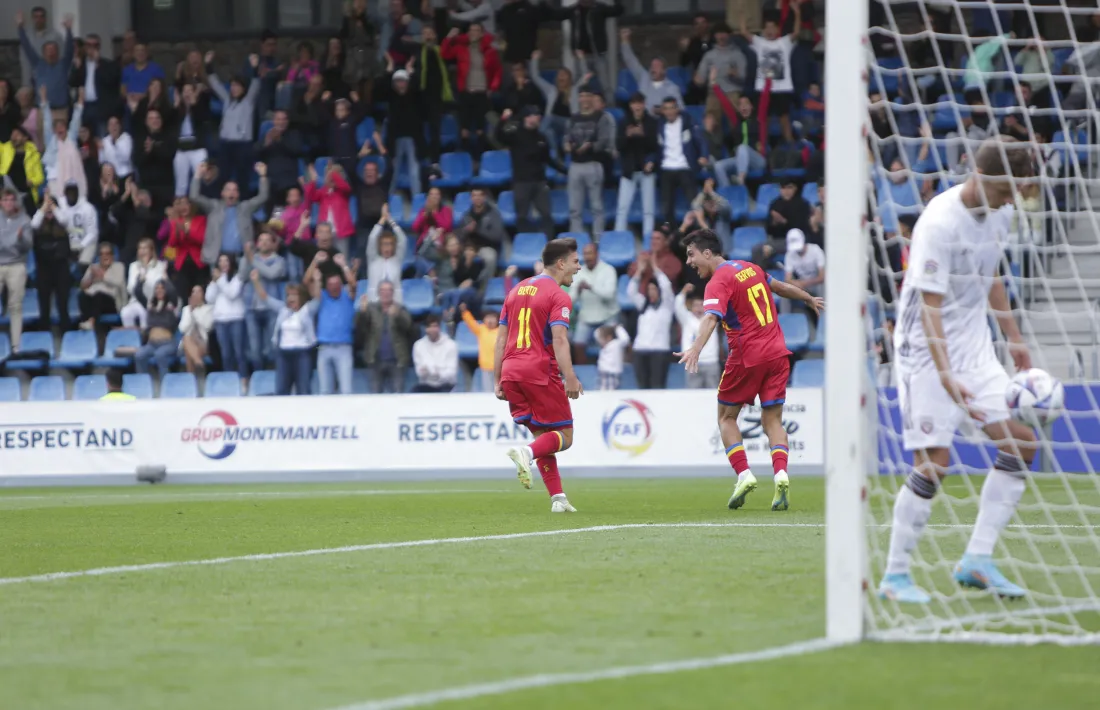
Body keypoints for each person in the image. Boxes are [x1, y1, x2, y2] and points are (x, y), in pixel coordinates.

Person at [879, 138, 1038, 604]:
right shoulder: (939, 222)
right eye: (1008, 189)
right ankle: (895, 576)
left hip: (973, 345)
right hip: (925, 351)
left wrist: (1013, 335)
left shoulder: (1002, 212)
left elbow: (990, 276)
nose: (1013, 199)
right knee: (933, 464)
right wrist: (946, 373)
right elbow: (930, 305)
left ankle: (977, 561)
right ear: (985, 178)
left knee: (1022, 443)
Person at [676, 229, 823, 512]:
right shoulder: (749, 267)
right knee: (773, 421)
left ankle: (744, 474)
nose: (689, 262)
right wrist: (807, 297)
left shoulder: (718, 281)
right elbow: (778, 286)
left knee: (726, 417)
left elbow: (710, 318)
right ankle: (781, 474)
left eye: (691, 255)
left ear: (708, 253)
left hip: (747, 356)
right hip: (778, 354)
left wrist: (695, 347)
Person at [496, 238, 583, 513]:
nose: (578, 268)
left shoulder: (516, 290)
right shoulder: (558, 295)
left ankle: (558, 498)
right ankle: (527, 453)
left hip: (511, 371)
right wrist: (569, 375)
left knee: (543, 433)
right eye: (575, 262)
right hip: (538, 371)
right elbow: (559, 339)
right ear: (561, 263)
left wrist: (498, 378)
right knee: (564, 437)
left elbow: (500, 340)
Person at [495, 106, 561, 237]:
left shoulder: (541, 137)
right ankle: (527, 245)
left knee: (546, 215)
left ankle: (548, 244)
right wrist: (503, 120)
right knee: (522, 217)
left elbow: (547, 159)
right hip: (521, 182)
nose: (539, 118)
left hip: (539, 181)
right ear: (528, 118)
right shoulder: (515, 135)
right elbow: (498, 136)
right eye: (536, 115)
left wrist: (564, 170)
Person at [740, 3, 800, 145]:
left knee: (784, 118)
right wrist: (743, 15)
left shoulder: (784, 42)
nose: (770, 30)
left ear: (778, 29)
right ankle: (763, 146)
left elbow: (797, 32)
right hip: (763, 88)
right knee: (763, 119)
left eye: (773, 27)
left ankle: (791, 146)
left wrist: (797, 14)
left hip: (782, 88)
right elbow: (744, 32)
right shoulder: (759, 42)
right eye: (767, 27)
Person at [189, 161, 269, 262]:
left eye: (235, 190)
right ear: (222, 193)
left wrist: (263, 176)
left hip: (241, 258)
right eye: (228, 189)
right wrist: (197, 175)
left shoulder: (246, 207)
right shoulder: (213, 206)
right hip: (217, 257)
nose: (231, 192)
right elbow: (194, 196)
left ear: (238, 194)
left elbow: (263, 197)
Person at [441, 23, 501, 157]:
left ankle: (479, 160)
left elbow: (497, 70)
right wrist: (449, 37)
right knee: (464, 130)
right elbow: (444, 54)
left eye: (477, 30)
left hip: (481, 93)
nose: (474, 33)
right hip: (466, 92)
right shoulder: (461, 48)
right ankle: (465, 161)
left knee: (480, 129)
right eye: (471, 30)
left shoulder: (489, 51)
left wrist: (492, 88)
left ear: (481, 34)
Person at [250, 275, 315, 396]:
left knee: (304, 390)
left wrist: (316, 280)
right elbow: (265, 298)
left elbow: (317, 299)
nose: (291, 297)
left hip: (302, 354)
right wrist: (255, 281)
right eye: (289, 295)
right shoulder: (282, 309)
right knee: (281, 390)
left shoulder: (307, 310)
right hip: (283, 354)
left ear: (300, 296)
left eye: (294, 295)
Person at [205, 50, 261, 190]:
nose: (234, 88)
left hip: (242, 145)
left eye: (237, 86)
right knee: (222, 176)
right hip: (226, 145)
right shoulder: (227, 101)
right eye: (232, 85)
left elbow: (256, 84)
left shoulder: (248, 102)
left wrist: (255, 68)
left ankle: (243, 207)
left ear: (243, 88)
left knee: (243, 179)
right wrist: (208, 66)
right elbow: (216, 85)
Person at [306, 251, 358, 395]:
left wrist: (344, 266)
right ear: (326, 286)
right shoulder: (322, 296)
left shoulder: (347, 295)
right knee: (324, 391)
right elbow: (307, 281)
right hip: (324, 348)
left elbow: (353, 284)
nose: (334, 287)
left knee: (346, 390)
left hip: (343, 348)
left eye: (337, 284)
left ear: (341, 285)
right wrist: (315, 262)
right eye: (331, 284)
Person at [565, 85, 613, 237]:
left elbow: (604, 141)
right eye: (582, 95)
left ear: (593, 98)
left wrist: (590, 146)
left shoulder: (601, 117)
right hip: (575, 165)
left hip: (593, 164)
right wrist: (566, 145)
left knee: (596, 207)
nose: (585, 99)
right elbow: (566, 138)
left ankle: (598, 240)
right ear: (578, 99)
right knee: (574, 208)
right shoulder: (573, 118)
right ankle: (577, 242)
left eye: (588, 95)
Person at [356, 280, 416, 393]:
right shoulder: (370, 308)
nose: (386, 293)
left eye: (389, 290)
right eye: (383, 290)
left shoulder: (400, 309)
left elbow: (409, 327)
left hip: (397, 361)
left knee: (398, 397)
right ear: (378, 292)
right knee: (375, 397)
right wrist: (362, 312)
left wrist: (398, 316)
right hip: (375, 360)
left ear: (393, 293)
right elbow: (360, 328)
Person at [657, 96, 707, 226]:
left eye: (671, 108)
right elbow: (656, 148)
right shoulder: (660, 125)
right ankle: (671, 233)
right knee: (666, 206)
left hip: (684, 166)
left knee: (695, 202)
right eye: (666, 109)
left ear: (677, 109)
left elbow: (700, 140)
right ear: (662, 111)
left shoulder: (687, 121)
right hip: (666, 167)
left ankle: (701, 229)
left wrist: (703, 155)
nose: (669, 112)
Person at [614, 92, 659, 236]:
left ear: (644, 104)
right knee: (622, 209)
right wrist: (628, 136)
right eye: (634, 103)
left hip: (647, 170)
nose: (637, 106)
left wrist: (642, 135)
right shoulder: (623, 121)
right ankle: (619, 239)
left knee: (648, 210)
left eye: (640, 103)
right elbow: (619, 146)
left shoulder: (651, 121)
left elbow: (655, 146)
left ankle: (648, 244)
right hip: (629, 170)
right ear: (630, 105)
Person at [629, 252, 674, 389]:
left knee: (657, 387)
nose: (651, 292)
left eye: (654, 289)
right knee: (642, 388)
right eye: (649, 290)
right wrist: (640, 271)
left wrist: (654, 267)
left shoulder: (666, 306)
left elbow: (666, 286)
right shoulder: (643, 304)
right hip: (640, 350)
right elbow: (631, 291)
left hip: (659, 351)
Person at [242, 235, 287, 372]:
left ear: (273, 244)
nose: (265, 243)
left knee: (272, 347)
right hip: (251, 308)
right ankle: (258, 377)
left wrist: (252, 260)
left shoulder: (279, 261)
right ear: (257, 243)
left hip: (271, 309)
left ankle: (273, 377)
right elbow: (242, 276)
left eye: (268, 240)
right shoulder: (250, 258)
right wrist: (246, 256)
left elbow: (271, 273)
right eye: (261, 240)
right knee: (254, 349)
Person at [569, 242, 619, 362]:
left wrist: (591, 287)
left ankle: (610, 370)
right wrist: (577, 291)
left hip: (607, 315)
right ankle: (584, 374)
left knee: (611, 346)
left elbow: (609, 294)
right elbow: (570, 300)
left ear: (597, 254)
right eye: (585, 254)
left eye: (590, 253)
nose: (587, 257)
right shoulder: (578, 272)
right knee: (577, 344)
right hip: (587, 316)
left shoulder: (608, 270)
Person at [619, 28, 684, 114]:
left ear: (664, 71)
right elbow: (630, 60)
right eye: (652, 66)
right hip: (642, 120)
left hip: (661, 122)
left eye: (657, 66)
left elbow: (681, 108)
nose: (653, 69)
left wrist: (663, 110)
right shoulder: (643, 77)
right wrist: (625, 40)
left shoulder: (672, 89)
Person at [205, 253, 249, 381]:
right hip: (220, 320)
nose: (223, 264)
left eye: (226, 261)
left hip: (236, 318)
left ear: (231, 263)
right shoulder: (217, 280)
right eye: (221, 261)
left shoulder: (237, 278)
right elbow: (209, 298)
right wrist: (214, 283)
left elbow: (232, 293)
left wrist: (219, 280)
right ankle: (229, 379)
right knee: (225, 354)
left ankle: (243, 378)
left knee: (239, 352)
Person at [31, 190, 70, 331]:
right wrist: (43, 208)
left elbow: (64, 220)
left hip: (60, 268)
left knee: (63, 303)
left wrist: (53, 206)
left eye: (51, 206)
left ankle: (65, 330)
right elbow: (33, 224)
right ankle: (44, 331)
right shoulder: (37, 227)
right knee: (44, 303)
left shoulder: (62, 224)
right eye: (45, 206)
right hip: (44, 268)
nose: (48, 208)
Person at [694, 22, 747, 120]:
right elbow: (700, 79)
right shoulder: (708, 55)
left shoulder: (737, 54)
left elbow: (744, 78)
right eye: (718, 34)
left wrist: (735, 75)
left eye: (724, 33)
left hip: (732, 92)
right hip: (713, 92)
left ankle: (736, 134)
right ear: (714, 36)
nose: (721, 36)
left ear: (729, 35)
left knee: (735, 119)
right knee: (709, 119)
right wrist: (698, 80)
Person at [0, 188, 32, 350]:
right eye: (5, 200)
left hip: (16, 264)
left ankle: (16, 346)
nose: (8, 203)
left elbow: (28, 246)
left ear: (15, 202)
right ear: (1, 202)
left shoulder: (24, 220)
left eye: (11, 200)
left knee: (15, 305)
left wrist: (19, 239)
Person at [674, 283, 720, 389]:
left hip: (711, 362)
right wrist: (684, 291)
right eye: (696, 306)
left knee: (712, 395)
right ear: (691, 307)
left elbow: (720, 304)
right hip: (692, 363)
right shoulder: (686, 318)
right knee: (692, 396)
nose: (698, 308)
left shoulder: (712, 318)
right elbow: (677, 305)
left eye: (701, 305)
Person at [134, 279, 180, 378]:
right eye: (157, 288)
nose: (159, 290)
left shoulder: (172, 305)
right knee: (139, 355)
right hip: (152, 344)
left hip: (167, 343)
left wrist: (166, 280)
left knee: (160, 354)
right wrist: (140, 280)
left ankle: (165, 384)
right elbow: (138, 293)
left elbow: (173, 292)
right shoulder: (150, 305)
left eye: (162, 288)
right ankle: (143, 383)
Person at [120, 237, 169, 329]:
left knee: (145, 313)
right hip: (136, 301)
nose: (142, 251)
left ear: (151, 251)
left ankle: (145, 339)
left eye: (145, 248)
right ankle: (133, 338)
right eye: (140, 248)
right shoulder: (134, 266)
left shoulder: (160, 266)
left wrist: (144, 278)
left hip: (153, 302)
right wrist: (141, 280)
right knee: (125, 313)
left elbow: (158, 287)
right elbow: (130, 288)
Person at [78, 241, 127, 330]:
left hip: (112, 302)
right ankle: (86, 322)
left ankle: (91, 322)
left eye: (107, 253)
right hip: (93, 301)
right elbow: (82, 285)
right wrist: (91, 279)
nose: (105, 256)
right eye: (102, 254)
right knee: (82, 295)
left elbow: (119, 283)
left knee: (99, 295)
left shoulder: (119, 266)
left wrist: (103, 277)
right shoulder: (93, 267)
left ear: (112, 256)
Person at [365, 203, 407, 303]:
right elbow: (372, 238)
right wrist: (382, 220)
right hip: (375, 302)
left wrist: (390, 220)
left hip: (395, 302)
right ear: (379, 246)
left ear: (393, 246)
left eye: (389, 244)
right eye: (384, 244)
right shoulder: (373, 259)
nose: (387, 247)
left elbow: (403, 239)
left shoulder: (397, 259)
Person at [782, 227, 824, 323]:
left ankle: (823, 320)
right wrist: (795, 283)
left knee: (823, 288)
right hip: (800, 285)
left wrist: (804, 283)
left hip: (815, 283)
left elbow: (822, 277)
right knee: (783, 291)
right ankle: (785, 321)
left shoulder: (816, 250)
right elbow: (787, 278)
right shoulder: (790, 255)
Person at [459, 302, 500, 392]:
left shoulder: (501, 332)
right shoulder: (481, 329)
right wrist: (465, 312)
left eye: (493, 318)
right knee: (487, 392)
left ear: (497, 320)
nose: (490, 320)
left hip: (499, 368)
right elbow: (471, 323)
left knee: (499, 391)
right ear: (484, 319)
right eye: (488, 317)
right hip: (485, 367)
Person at [412, 314, 458, 393]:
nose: (432, 329)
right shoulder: (418, 345)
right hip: (426, 385)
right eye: (430, 327)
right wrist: (425, 372)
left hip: (446, 385)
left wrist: (438, 374)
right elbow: (419, 371)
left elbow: (452, 372)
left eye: (435, 326)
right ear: (426, 329)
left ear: (439, 328)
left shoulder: (451, 345)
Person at [55, 180, 98, 266]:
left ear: (78, 192)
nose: (71, 195)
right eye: (69, 192)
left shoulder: (88, 208)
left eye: (74, 192)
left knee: (83, 264)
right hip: (68, 243)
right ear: (65, 193)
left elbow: (92, 233)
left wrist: (80, 247)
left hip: (86, 242)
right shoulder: (60, 205)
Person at [179, 284, 214, 375]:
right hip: (187, 342)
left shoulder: (208, 309)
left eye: (199, 291)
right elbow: (182, 328)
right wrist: (191, 311)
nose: (196, 294)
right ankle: (199, 362)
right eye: (194, 292)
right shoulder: (186, 309)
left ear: (203, 294)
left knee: (188, 350)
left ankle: (191, 378)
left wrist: (195, 312)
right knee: (187, 338)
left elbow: (207, 327)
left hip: (202, 342)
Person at [595, 324, 631, 390]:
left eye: (601, 338)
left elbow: (625, 339)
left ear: (609, 337)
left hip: (612, 374)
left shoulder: (616, 344)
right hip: (602, 373)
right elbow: (596, 334)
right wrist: (607, 326)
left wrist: (618, 328)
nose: (599, 341)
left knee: (611, 393)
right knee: (600, 392)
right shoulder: (603, 347)